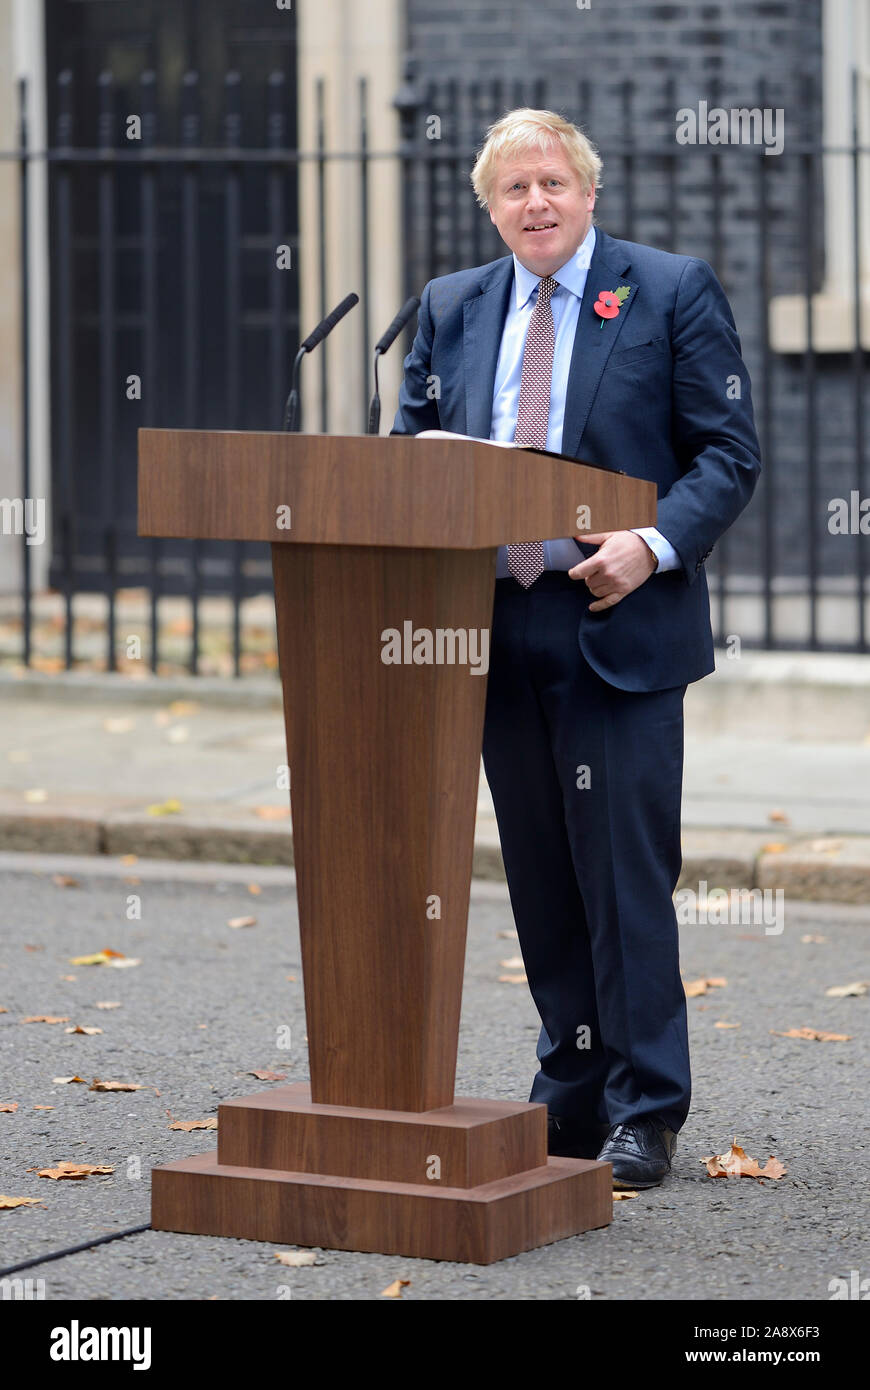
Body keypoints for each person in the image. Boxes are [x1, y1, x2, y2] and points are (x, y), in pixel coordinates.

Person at [390, 108, 761, 1188]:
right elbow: (415, 449)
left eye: (553, 182)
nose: (536, 203)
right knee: (544, 878)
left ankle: (647, 1106)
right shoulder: (453, 306)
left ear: (589, 193)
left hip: (615, 616)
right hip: (497, 625)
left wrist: (649, 546)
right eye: (514, 189)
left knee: (623, 877)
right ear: (491, 207)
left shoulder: (667, 289)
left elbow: (727, 453)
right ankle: (573, 1088)